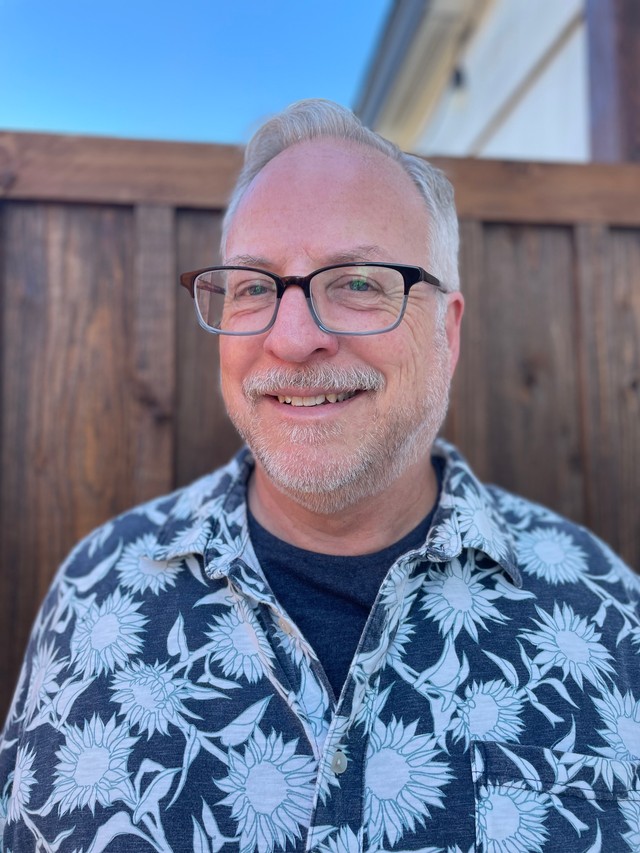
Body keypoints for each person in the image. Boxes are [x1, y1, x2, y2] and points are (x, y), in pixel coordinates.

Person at [1, 99, 639, 853]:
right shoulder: (95, 591)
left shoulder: (605, 614)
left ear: (448, 330)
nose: (294, 336)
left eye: (359, 282)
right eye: (253, 286)